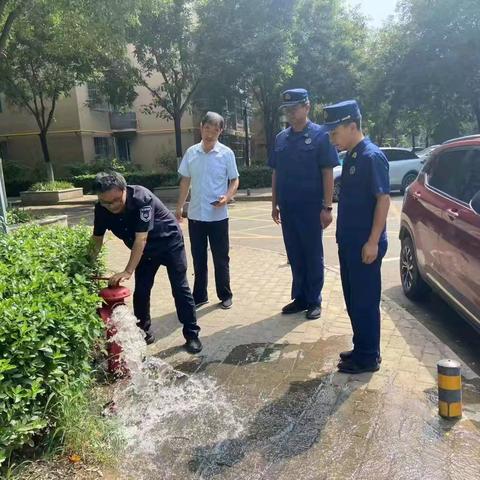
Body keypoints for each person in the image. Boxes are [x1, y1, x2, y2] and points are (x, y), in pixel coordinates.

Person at [89, 171, 202, 354]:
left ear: (124, 190)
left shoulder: (142, 198)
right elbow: (96, 239)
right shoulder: (101, 209)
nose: (112, 206)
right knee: (141, 290)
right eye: (106, 202)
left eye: (116, 200)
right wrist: (87, 265)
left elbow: (141, 238)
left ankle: (192, 334)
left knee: (180, 288)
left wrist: (127, 271)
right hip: (144, 252)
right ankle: (144, 333)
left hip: (169, 243)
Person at [322, 100, 390, 374]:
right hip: (350, 242)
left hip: (365, 244)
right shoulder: (351, 155)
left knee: (365, 300)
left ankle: (369, 357)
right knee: (353, 298)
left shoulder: (371, 156)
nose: (332, 138)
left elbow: (383, 200)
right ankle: (362, 347)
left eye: (334, 132)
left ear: (352, 126)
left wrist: (373, 241)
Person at [269, 88, 339, 319]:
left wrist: (327, 207)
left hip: (311, 208)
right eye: (287, 109)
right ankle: (299, 298)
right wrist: (274, 203)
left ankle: (314, 300)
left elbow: (327, 172)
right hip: (288, 207)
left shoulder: (321, 136)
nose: (290, 112)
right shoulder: (281, 138)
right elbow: (276, 173)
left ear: (307, 106)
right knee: (295, 254)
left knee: (312, 253)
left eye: (295, 107)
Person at [176, 112, 240, 310]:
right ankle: (200, 295)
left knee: (221, 257)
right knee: (199, 257)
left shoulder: (226, 153)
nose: (210, 133)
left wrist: (227, 197)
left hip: (218, 216)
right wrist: (179, 206)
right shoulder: (191, 153)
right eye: (207, 128)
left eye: (214, 130)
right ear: (200, 127)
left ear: (220, 131)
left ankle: (225, 294)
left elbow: (234, 180)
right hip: (196, 215)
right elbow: (185, 180)